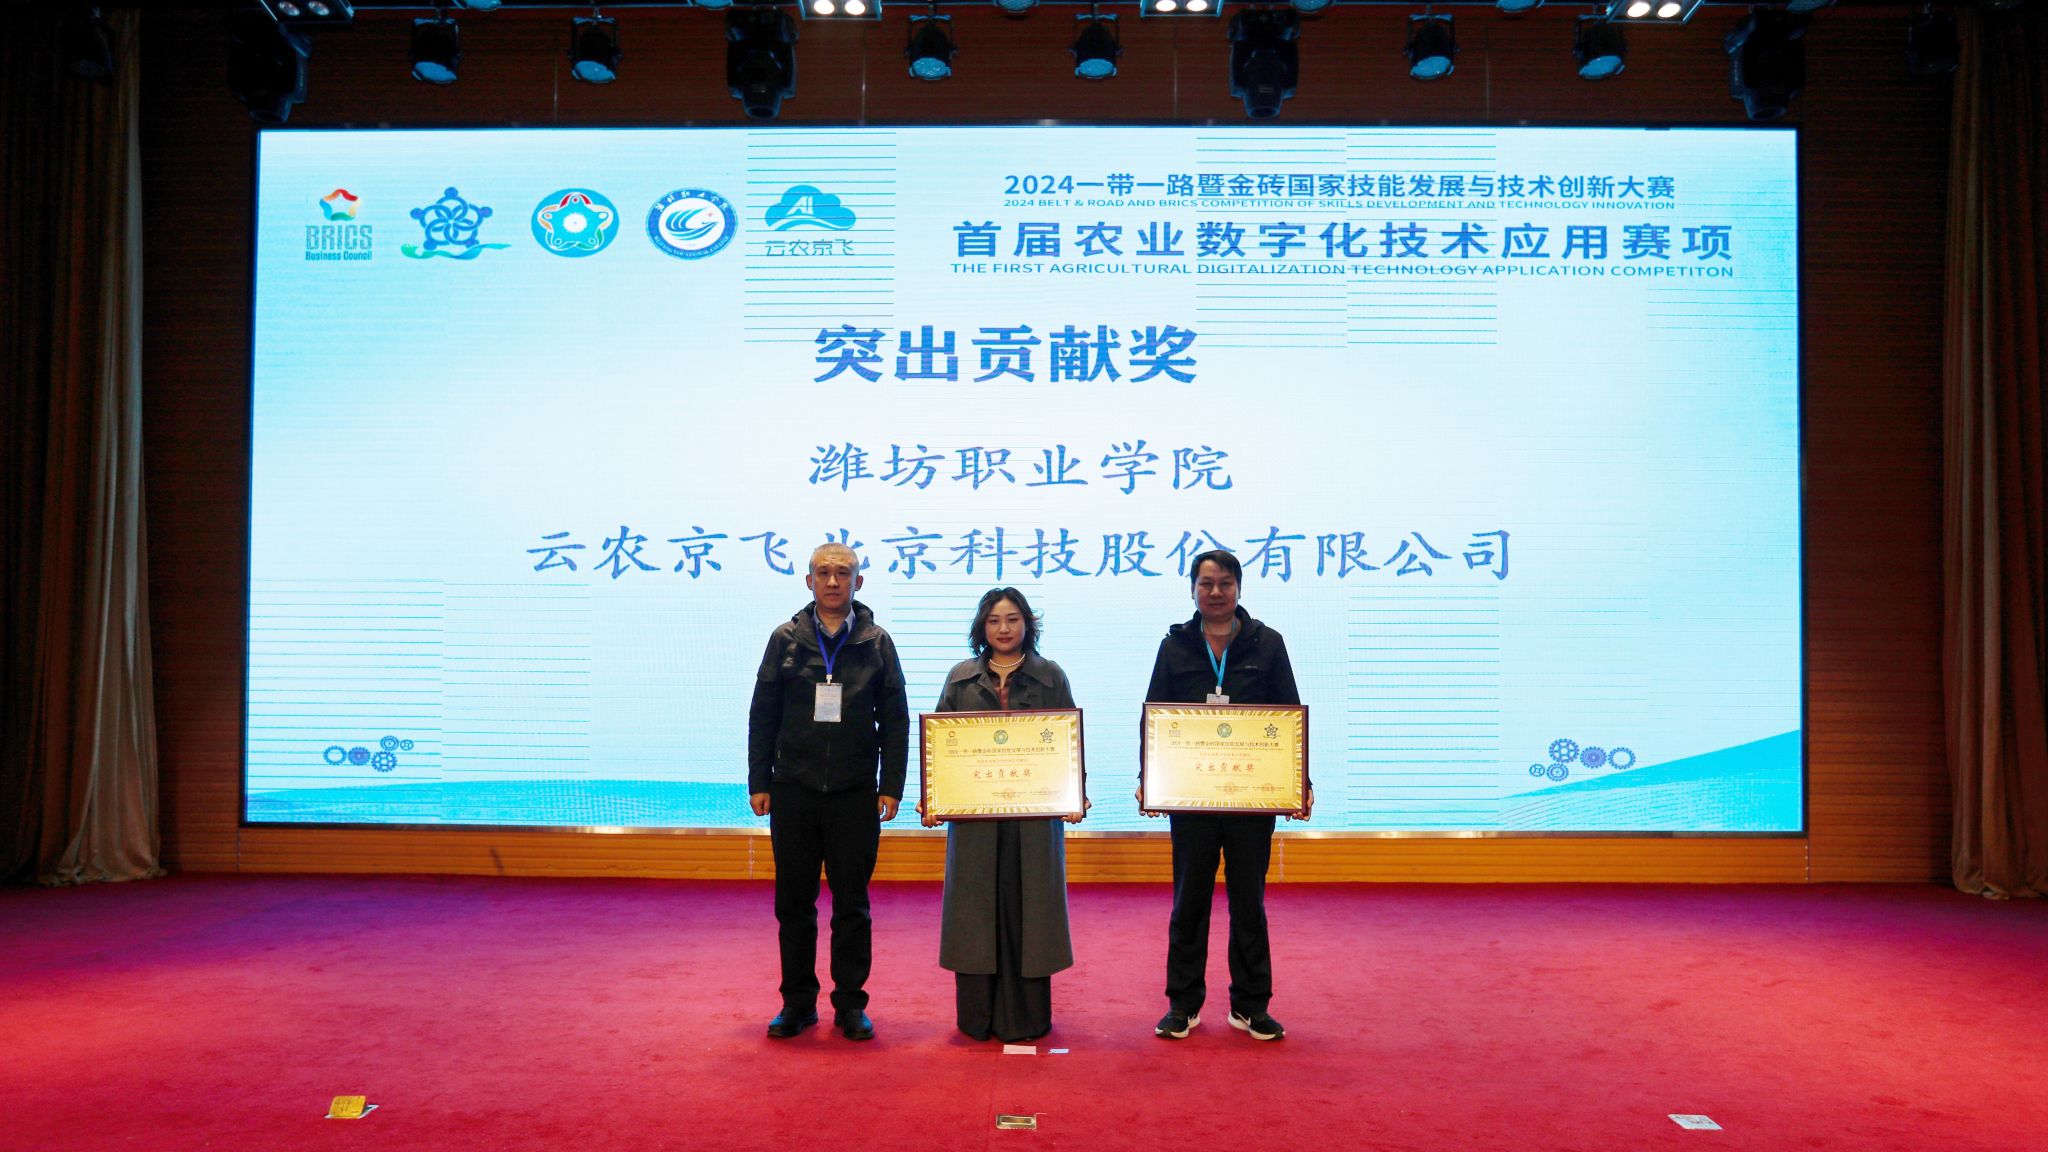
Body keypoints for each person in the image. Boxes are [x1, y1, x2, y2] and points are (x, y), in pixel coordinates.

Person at [1143, 549, 1313, 1043]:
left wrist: (1299, 781)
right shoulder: (1175, 646)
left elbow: (1289, 715)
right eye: (1206, 583)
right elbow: (1154, 713)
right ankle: (1182, 1005)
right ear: (1192, 590)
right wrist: (1148, 777)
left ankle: (1251, 1006)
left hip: (1250, 800)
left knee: (1249, 903)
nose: (1215, 592)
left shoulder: (1268, 643)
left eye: (1224, 583)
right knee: (1189, 902)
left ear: (1239, 588)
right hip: (1192, 797)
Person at [748, 542, 908, 1042]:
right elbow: (763, 713)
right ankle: (797, 1004)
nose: (833, 581)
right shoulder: (785, 639)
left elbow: (896, 719)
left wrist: (892, 786)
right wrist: (759, 780)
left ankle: (850, 1005)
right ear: (809, 581)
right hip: (793, 789)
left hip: (854, 792)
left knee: (852, 905)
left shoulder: (876, 642)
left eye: (843, 573)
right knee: (794, 904)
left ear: (859, 582)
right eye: (823, 573)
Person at [922, 588, 1085, 1043]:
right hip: (976, 822)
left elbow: (1068, 741)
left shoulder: (1050, 676)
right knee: (976, 912)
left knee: (1029, 910)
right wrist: (934, 796)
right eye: (994, 621)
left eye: (1013, 619)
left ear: (1028, 624)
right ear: (982, 627)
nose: (1004, 628)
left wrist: (1076, 793)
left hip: (1034, 820)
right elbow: (941, 747)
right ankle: (977, 1016)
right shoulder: (960, 678)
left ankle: (1026, 1017)